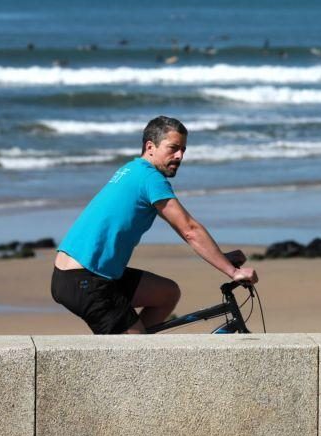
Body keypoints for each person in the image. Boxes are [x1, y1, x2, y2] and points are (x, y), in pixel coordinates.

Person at [51, 116, 258, 334]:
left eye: (183, 150)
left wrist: (222, 259)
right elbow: (189, 230)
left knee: (167, 294)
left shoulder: (132, 169)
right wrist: (232, 272)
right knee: (136, 354)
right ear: (150, 147)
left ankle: (132, 342)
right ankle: (131, 349)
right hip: (85, 280)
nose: (179, 156)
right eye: (173, 148)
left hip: (86, 273)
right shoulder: (151, 179)